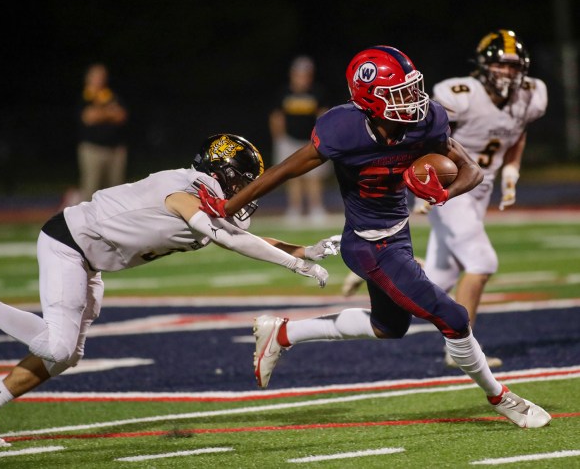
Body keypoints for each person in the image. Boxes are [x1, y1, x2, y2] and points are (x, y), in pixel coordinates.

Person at [197, 47, 551, 429]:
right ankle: (502, 398)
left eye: (412, 89)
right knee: (453, 316)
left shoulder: (426, 120)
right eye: (398, 93)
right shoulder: (343, 129)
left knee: (389, 327)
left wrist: (443, 194)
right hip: (367, 245)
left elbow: (472, 172)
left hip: (399, 235)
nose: (412, 100)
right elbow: (283, 171)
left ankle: (282, 333)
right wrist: (228, 206)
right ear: (368, 99)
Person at [0, 133, 339, 448]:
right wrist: (294, 264)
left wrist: (303, 249)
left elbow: (242, 235)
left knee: (65, 356)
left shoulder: (204, 196)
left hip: (89, 260)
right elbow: (223, 235)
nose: (245, 191)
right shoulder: (185, 188)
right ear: (220, 171)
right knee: (58, 347)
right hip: (69, 244)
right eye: (241, 180)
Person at [343, 30, 548, 370]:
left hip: (479, 188)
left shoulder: (531, 95)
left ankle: (379, 274)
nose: (508, 74)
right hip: (447, 184)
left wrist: (512, 170)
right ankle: (463, 351)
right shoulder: (460, 94)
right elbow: (422, 135)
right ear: (484, 66)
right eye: (501, 65)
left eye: (514, 67)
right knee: (482, 262)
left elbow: (518, 128)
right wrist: (423, 182)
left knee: (440, 276)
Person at [269, 56, 331, 224]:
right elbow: (277, 116)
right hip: (289, 139)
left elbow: (324, 114)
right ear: (292, 74)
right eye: (299, 74)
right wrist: (279, 138)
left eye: (305, 74)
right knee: (292, 176)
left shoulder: (317, 92)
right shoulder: (284, 92)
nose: (302, 78)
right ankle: (294, 209)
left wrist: (323, 136)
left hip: (312, 141)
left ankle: (316, 208)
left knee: (314, 176)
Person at [76, 63, 129, 203]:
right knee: (90, 189)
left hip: (115, 149)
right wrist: (109, 113)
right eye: (96, 75)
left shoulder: (110, 95)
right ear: (88, 78)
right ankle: (86, 222)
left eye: (102, 76)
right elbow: (89, 117)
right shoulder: (85, 96)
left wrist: (101, 114)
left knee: (116, 191)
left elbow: (121, 116)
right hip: (93, 149)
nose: (100, 79)